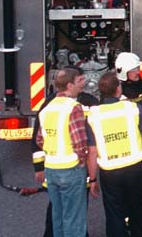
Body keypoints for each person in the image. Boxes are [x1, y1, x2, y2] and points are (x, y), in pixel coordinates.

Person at [87, 72, 142, 237]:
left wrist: (92, 179)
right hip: (135, 169)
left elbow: (92, 151)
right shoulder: (133, 108)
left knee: (114, 213)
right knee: (137, 209)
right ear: (117, 89)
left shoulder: (93, 115)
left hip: (109, 171)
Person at [32, 66, 99, 237]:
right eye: (80, 81)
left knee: (58, 216)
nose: (83, 83)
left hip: (52, 170)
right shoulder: (74, 107)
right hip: (71, 170)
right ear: (69, 85)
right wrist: (85, 163)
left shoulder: (47, 107)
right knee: (74, 220)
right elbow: (79, 142)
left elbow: (40, 139)